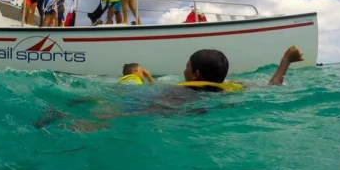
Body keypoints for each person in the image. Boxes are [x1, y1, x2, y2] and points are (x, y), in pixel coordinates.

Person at [35, 45, 305, 130]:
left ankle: (82, 124)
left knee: (117, 108)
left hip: (176, 103)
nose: (184, 69)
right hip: (204, 112)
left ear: (195, 74)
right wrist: (285, 61)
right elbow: (274, 86)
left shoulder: (179, 89)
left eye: (187, 66)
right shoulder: (236, 88)